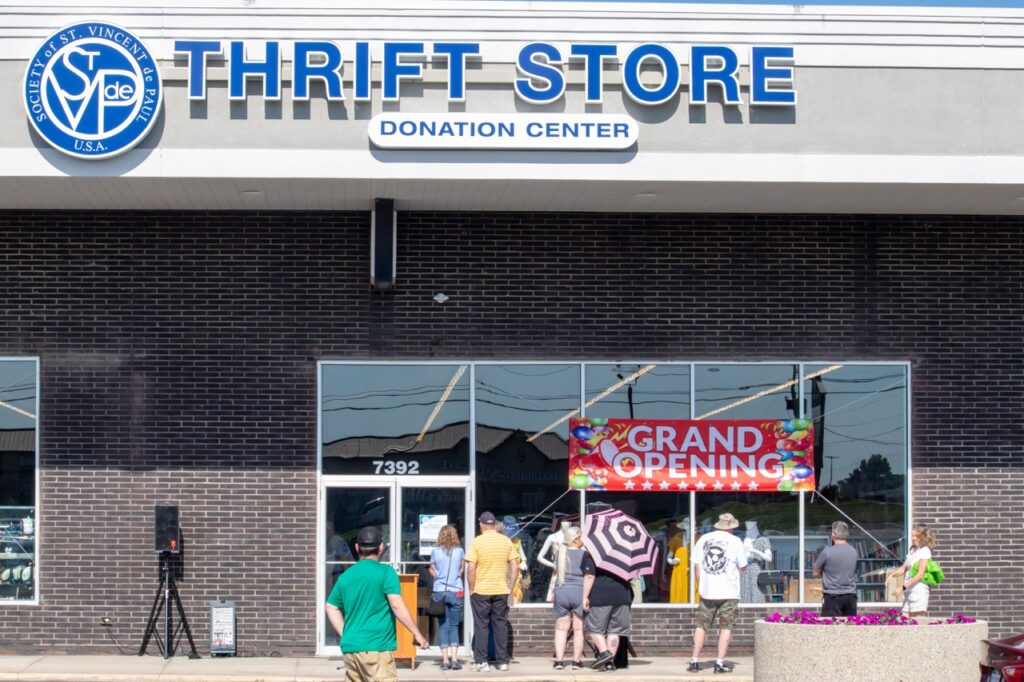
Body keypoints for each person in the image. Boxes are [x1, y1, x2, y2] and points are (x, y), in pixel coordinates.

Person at [325, 526, 428, 682]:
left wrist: (345, 634)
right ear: (380, 548)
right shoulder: (386, 573)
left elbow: (331, 607)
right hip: (377, 648)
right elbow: (397, 605)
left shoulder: (345, 576)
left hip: (351, 649)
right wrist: (417, 634)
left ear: (357, 547)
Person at [688, 513, 748, 675]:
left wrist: (701, 584)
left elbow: (696, 565)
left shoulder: (703, 539)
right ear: (732, 527)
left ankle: (694, 661)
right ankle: (719, 662)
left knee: (701, 626)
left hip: (708, 591)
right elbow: (743, 565)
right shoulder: (735, 541)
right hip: (728, 591)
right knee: (726, 627)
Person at [466, 511, 519, 672]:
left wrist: (471, 588)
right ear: (494, 524)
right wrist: (510, 586)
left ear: (481, 525)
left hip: (481, 590)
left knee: (481, 625)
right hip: (501, 589)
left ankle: (481, 661)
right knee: (500, 625)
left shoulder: (477, 542)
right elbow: (515, 566)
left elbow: (471, 568)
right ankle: (503, 661)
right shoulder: (506, 541)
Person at [581, 535, 632, 672]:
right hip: (622, 596)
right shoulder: (625, 556)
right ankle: (610, 664)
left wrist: (584, 597)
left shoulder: (593, 555)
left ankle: (604, 653)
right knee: (614, 630)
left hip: (600, 597)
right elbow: (631, 576)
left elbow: (589, 576)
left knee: (594, 628)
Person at [429, 524, 465, 671]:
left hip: (440, 592)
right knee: (454, 626)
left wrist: (438, 575)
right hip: (456, 591)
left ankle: (445, 660)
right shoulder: (460, 551)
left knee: (443, 626)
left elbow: (432, 569)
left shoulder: (435, 551)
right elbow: (461, 570)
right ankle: (455, 659)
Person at [551, 526, 586, 671]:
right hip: (579, 591)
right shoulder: (585, 555)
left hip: (562, 591)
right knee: (578, 629)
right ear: (576, 539)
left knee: (560, 629)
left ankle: (559, 661)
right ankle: (576, 662)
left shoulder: (560, 552)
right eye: (581, 537)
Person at [885, 524, 936, 617]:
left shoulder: (925, 551)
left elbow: (920, 574)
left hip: (918, 591)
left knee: (917, 623)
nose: (912, 538)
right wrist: (892, 575)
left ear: (922, 537)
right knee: (904, 620)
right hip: (909, 591)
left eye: (915, 536)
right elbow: (904, 568)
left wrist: (902, 587)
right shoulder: (913, 550)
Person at [813, 521, 859, 617]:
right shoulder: (854, 551)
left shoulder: (827, 552)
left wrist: (821, 573)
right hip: (850, 596)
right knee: (850, 628)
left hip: (832, 596)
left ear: (833, 535)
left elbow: (815, 571)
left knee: (830, 628)